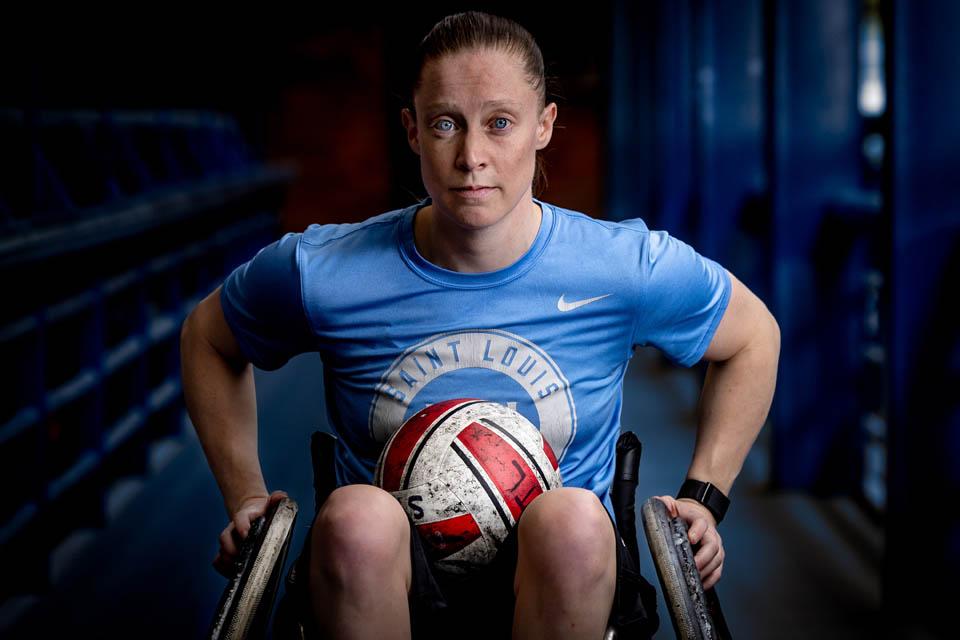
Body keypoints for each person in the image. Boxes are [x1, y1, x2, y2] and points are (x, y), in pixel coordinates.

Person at [180, 10, 780, 640]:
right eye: (446, 124)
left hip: (563, 574)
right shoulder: (325, 270)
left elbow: (751, 336)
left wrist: (704, 496)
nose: (472, 157)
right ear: (411, 131)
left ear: (544, 125)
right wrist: (246, 494)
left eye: (499, 123)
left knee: (573, 519)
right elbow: (209, 336)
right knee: (356, 515)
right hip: (380, 577)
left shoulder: (621, 266)